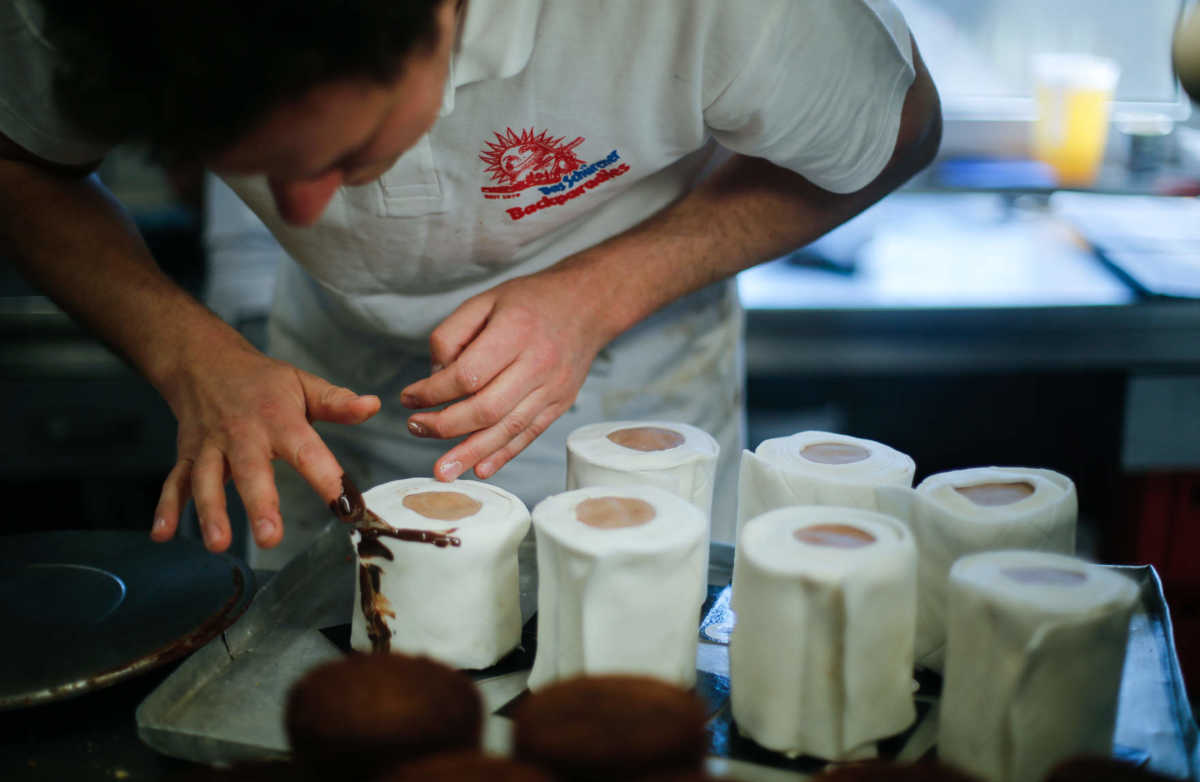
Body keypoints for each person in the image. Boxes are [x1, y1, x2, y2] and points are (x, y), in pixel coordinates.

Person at [0, 0, 941, 567]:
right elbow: (19, 159)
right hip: (324, 383)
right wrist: (188, 350)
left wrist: (604, 287)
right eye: (245, 168)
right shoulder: (84, 12)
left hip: (633, 391)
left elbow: (900, 129)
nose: (298, 211)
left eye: (346, 152)